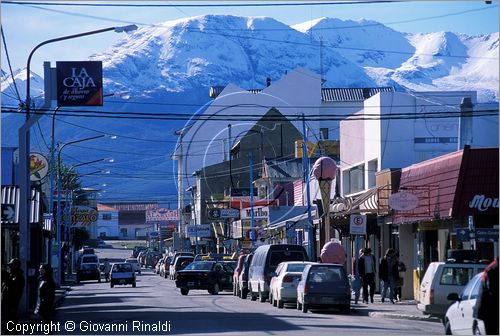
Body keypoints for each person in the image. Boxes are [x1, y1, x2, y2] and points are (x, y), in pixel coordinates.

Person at [474, 257, 498, 335]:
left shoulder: (493, 267)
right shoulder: (493, 269)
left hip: (489, 308)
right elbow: (493, 290)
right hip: (489, 309)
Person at [2, 259, 25, 323]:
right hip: (5, 305)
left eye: (11, 265)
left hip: (11, 306)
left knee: (11, 324)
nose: (9, 267)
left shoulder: (19, 277)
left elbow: (15, 291)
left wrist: (13, 306)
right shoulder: (10, 275)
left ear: (16, 266)